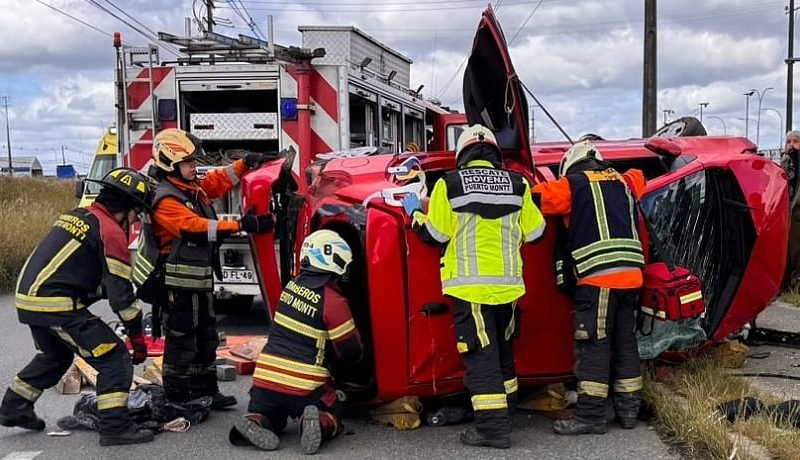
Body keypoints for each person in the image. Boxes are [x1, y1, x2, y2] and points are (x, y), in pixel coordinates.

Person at [402, 124, 546, 449]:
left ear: (462, 153)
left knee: (481, 357)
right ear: (494, 153)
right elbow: (538, 234)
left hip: (470, 289)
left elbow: (435, 236)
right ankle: (504, 414)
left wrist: (414, 214)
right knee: (503, 354)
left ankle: (492, 430)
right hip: (508, 288)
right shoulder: (518, 184)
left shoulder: (449, 184)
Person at [0, 168, 154, 446]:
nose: (134, 222)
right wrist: (137, 338)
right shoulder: (110, 231)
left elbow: (79, 270)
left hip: (30, 298)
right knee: (113, 358)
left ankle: (15, 407)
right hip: (55, 303)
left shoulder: (78, 216)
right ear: (127, 209)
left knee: (55, 356)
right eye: (135, 215)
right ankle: (115, 428)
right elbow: (122, 300)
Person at [148, 128, 275, 408]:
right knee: (182, 340)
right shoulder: (166, 198)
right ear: (170, 164)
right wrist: (242, 225)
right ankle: (178, 396)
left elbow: (217, 182)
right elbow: (195, 228)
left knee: (206, 337)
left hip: (198, 281)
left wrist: (245, 164)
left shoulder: (190, 188)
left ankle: (206, 390)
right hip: (178, 286)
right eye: (189, 162)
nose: (194, 166)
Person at [532, 140, 645, 435]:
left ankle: (591, 416)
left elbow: (536, 199)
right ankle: (629, 409)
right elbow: (640, 177)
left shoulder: (571, 184)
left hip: (599, 279)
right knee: (625, 343)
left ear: (570, 164)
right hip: (632, 277)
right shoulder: (624, 181)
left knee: (594, 345)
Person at [229, 230, 363, 454]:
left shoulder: (289, 288)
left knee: (272, 414)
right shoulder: (333, 301)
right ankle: (319, 421)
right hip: (304, 388)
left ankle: (255, 421)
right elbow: (350, 352)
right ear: (336, 262)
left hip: (263, 383)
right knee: (335, 405)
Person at [782, 130, 800, 290]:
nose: (792, 145)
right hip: (786, 212)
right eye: (789, 142)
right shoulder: (786, 162)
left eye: (796, 141)